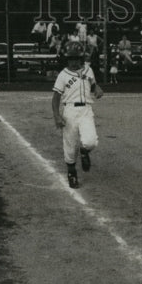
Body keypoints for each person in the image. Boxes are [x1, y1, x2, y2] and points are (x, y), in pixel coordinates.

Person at [51, 42, 104, 188]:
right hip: (70, 112)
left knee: (91, 141)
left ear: (81, 58)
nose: (73, 61)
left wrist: (97, 89)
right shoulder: (63, 75)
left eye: (76, 58)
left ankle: (84, 151)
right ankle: (71, 173)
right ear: (66, 59)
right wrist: (57, 116)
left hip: (86, 110)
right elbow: (55, 97)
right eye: (70, 59)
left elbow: (93, 85)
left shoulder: (88, 70)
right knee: (70, 144)